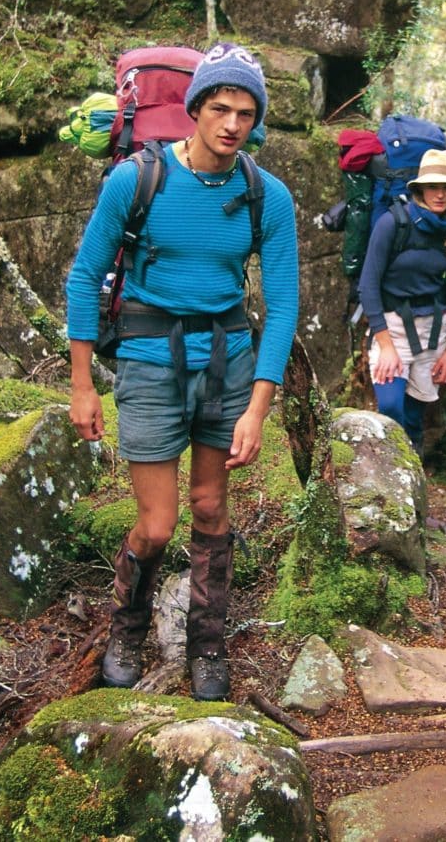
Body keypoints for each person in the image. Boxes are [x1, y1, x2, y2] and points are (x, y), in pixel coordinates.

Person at [65, 43, 299, 700]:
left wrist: (258, 407)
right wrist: (82, 385)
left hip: (227, 364)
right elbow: (85, 278)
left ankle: (208, 645)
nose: (232, 123)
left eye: (246, 112)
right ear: (195, 108)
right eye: (220, 107)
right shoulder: (137, 181)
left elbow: (282, 305)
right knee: (158, 523)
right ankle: (127, 627)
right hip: (148, 362)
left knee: (212, 508)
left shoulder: (265, 197)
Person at [358, 148, 446, 454]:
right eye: (434, 186)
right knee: (391, 407)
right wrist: (385, 345)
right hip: (392, 327)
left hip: (434, 331)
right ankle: (391, 470)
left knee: (414, 414)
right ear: (420, 188)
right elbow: (368, 286)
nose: (440, 194)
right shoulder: (393, 223)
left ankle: (411, 476)